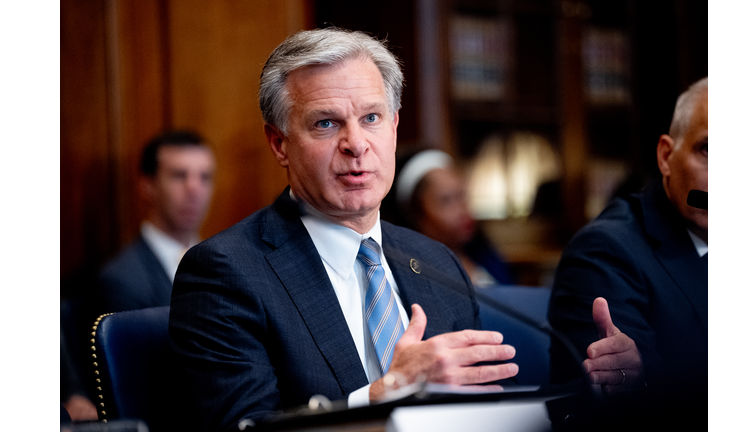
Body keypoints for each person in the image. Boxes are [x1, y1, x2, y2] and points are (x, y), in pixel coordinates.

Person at [168, 28, 518, 431]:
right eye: (326, 124)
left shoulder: (437, 261)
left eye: (371, 118)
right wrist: (383, 395)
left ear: (394, 126)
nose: (356, 144)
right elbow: (241, 427)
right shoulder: (226, 272)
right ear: (279, 143)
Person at [547, 77, 707, 427]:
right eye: (709, 150)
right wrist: (636, 379)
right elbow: (628, 405)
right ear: (666, 156)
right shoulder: (606, 250)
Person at [96, 130, 216, 313]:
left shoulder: (221, 265)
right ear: (148, 186)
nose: (195, 190)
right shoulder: (120, 281)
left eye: (205, 177)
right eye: (179, 175)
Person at [381, 148, 516, 287]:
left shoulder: (486, 257)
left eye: (462, 195)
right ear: (416, 214)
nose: (462, 210)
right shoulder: (414, 277)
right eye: (446, 200)